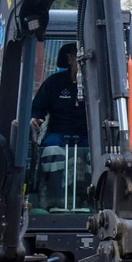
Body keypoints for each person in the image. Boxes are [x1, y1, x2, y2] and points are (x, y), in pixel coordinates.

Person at [28, 42, 87, 209]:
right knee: (51, 148)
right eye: (78, 58)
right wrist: (35, 119)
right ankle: (55, 196)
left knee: (96, 153)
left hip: (86, 134)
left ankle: (87, 197)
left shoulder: (96, 84)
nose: (81, 62)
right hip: (59, 133)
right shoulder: (54, 83)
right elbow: (38, 108)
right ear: (70, 59)